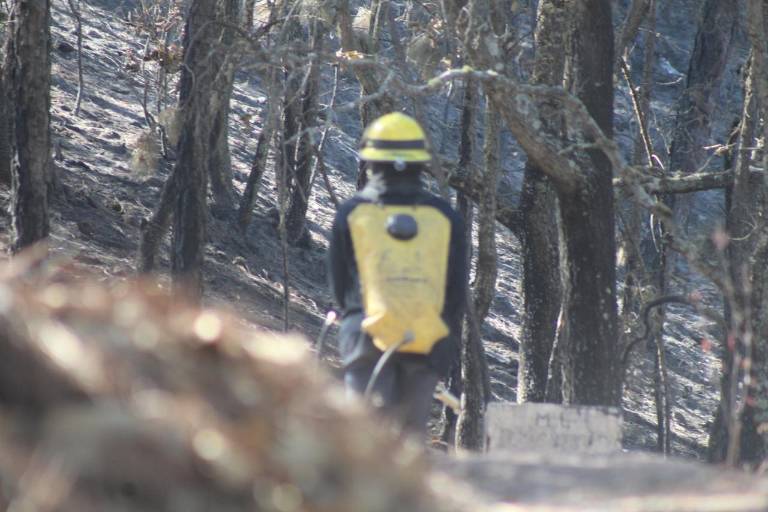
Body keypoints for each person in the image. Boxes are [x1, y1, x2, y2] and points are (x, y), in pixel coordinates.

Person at [328, 112, 467, 434]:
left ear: (371, 162)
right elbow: (456, 292)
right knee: (410, 435)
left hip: (364, 337)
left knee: (364, 437)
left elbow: (339, 286)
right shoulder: (446, 217)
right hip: (427, 340)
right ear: (421, 164)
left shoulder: (353, 213)